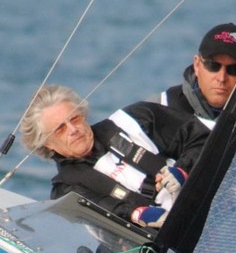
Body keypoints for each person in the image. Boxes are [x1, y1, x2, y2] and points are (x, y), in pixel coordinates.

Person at [20, 84, 209, 228]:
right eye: (60, 129)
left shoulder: (138, 118)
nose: (73, 130)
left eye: (75, 119)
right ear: (46, 143)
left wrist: (182, 169)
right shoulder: (65, 190)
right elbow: (100, 208)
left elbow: (201, 137)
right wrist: (136, 213)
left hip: (206, 205)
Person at [158, 22, 236, 128]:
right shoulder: (159, 109)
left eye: (234, 69)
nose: (221, 78)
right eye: (213, 65)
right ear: (197, 65)